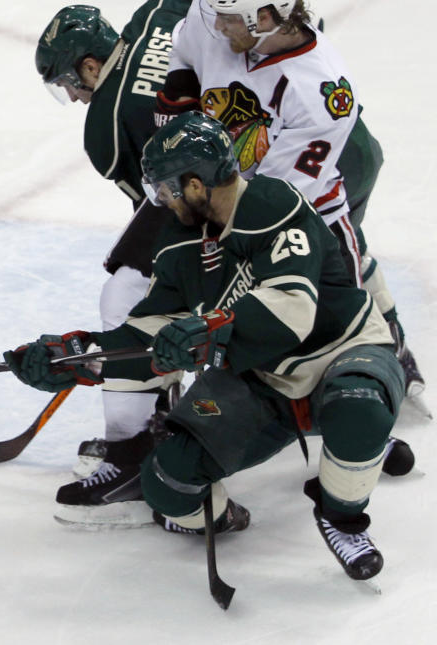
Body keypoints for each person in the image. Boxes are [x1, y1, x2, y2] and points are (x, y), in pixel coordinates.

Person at [6, 112, 404, 581]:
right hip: (261, 381)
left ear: (195, 184)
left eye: (168, 191)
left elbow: (292, 310)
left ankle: (342, 515)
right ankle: (237, 508)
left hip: (344, 349)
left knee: (356, 406)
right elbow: (148, 336)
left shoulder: (272, 202)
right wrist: (80, 358)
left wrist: (212, 328)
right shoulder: (178, 242)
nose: (164, 202)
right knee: (167, 484)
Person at [160, 0, 425, 398]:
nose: (216, 24)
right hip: (232, 191)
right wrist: (180, 103)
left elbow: (275, 200)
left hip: (310, 212)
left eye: (229, 19)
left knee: (338, 324)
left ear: (265, 18)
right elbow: (183, 47)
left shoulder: (321, 94)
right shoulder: (217, 15)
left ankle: (387, 350)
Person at [34, 2, 193, 527]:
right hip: (299, 152)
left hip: (231, 193)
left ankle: (132, 452)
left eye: (69, 84)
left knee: (128, 296)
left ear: (89, 66)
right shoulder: (153, 17)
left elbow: (171, 213)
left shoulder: (106, 124)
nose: (77, 97)